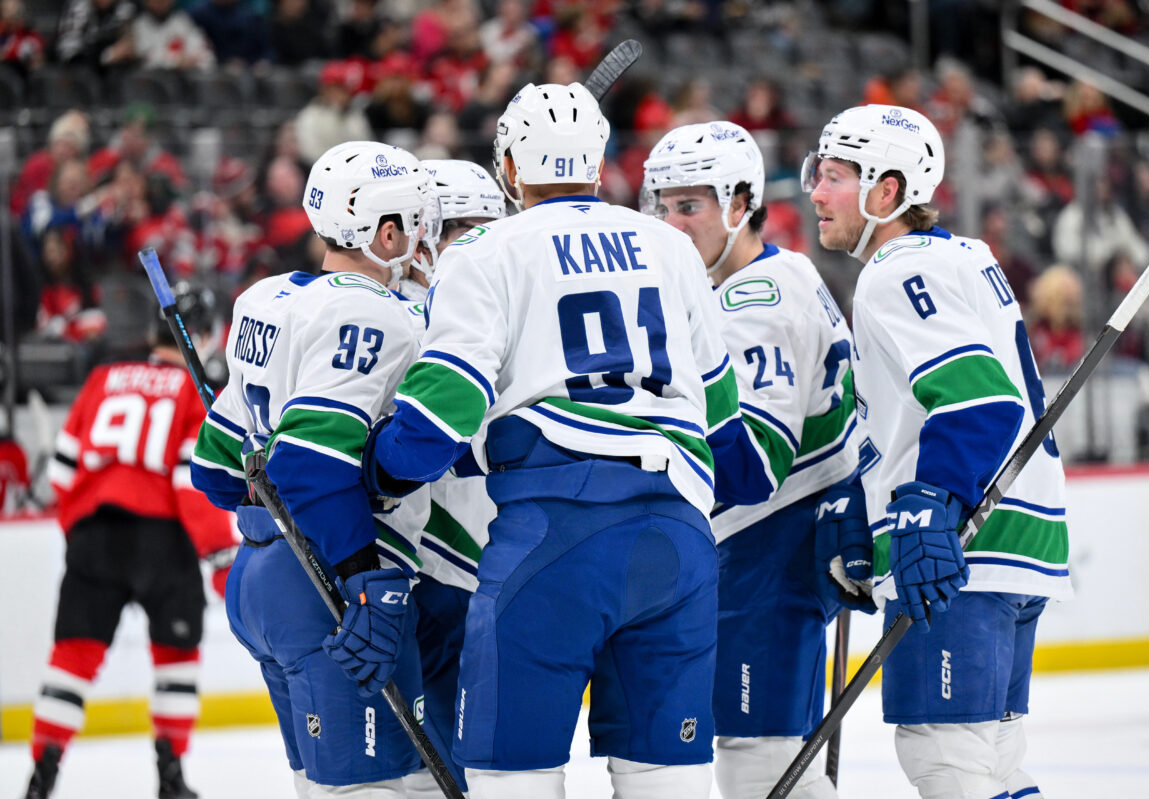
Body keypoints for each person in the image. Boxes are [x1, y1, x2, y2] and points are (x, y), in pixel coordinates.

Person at [364, 82, 768, 798]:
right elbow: (725, 418)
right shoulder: (669, 248)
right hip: (677, 539)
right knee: (665, 780)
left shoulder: (487, 250)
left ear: (510, 166)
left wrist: (380, 473)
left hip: (553, 536)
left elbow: (442, 412)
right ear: (599, 158)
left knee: (510, 779)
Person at [803, 104, 1072, 799]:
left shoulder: (895, 272)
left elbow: (979, 401)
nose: (815, 192)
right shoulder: (963, 253)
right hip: (1020, 539)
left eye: (833, 177)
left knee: (945, 761)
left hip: (962, 549)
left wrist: (925, 505)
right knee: (993, 764)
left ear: (886, 191)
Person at [189, 141, 441, 797]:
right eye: (412, 221)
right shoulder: (373, 313)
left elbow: (214, 466)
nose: (418, 236)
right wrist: (363, 579)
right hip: (330, 582)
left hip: (260, 578)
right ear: (386, 230)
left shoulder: (263, 298)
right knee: (379, 790)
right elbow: (307, 462)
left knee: (324, 787)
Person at [642, 121, 868, 799]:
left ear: (741, 206)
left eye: (692, 206)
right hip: (778, 541)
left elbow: (748, 468)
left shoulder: (758, 299)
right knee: (768, 760)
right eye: (664, 206)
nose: (672, 225)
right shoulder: (756, 283)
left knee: (757, 763)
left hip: (773, 543)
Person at [23, 284, 238, 799]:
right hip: (164, 542)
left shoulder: (102, 379)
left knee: (72, 659)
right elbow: (193, 485)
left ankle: (41, 777)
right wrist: (221, 559)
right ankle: (171, 778)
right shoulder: (195, 391)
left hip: (95, 536)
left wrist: (81, 531)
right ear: (204, 337)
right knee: (176, 658)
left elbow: (59, 475)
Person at [400, 157, 507, 797]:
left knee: (450, 768)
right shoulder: (406, 317)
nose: (468, 243)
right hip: (431, 571)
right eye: (454, 227)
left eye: (480, 226)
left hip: (479, 570)